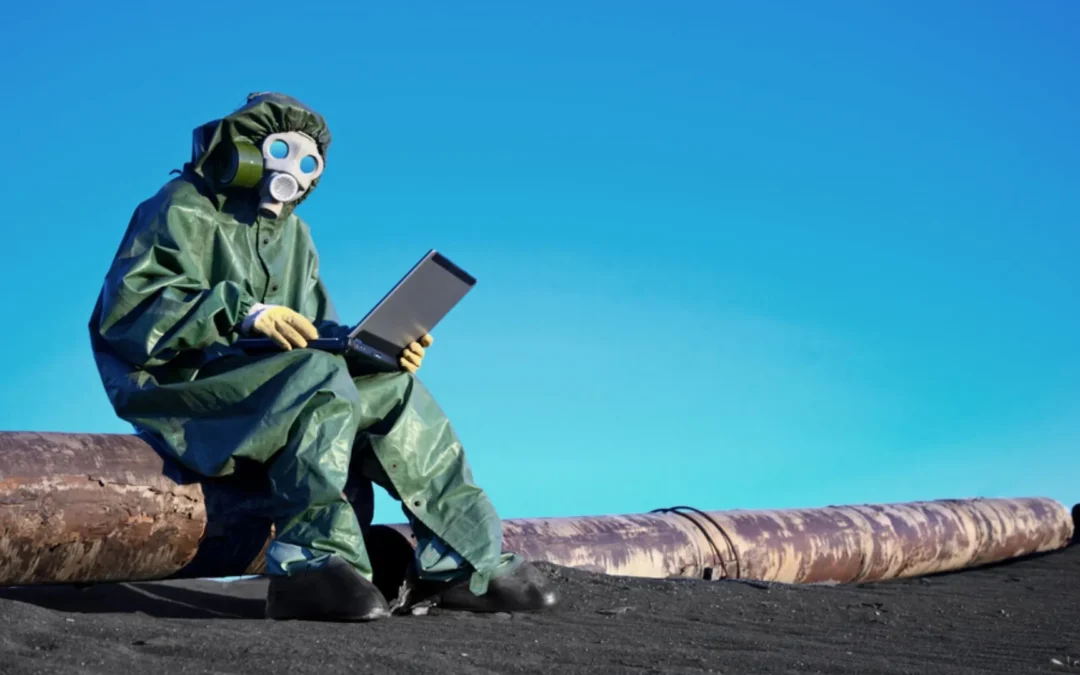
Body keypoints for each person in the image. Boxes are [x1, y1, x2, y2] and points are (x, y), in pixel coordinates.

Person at [88, 92, 557, 621]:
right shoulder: (179, 206)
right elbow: (129, 314)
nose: (296, 170)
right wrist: (241, 313)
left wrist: (373, 349)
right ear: (241, 150)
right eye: (282, 149)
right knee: (317, 375)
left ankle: (463, 563)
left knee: (394, 391)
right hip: (182, 386)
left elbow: (313, 330)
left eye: (310, 162)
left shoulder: (295, 235)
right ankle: (310, 565)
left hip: (277, 379)